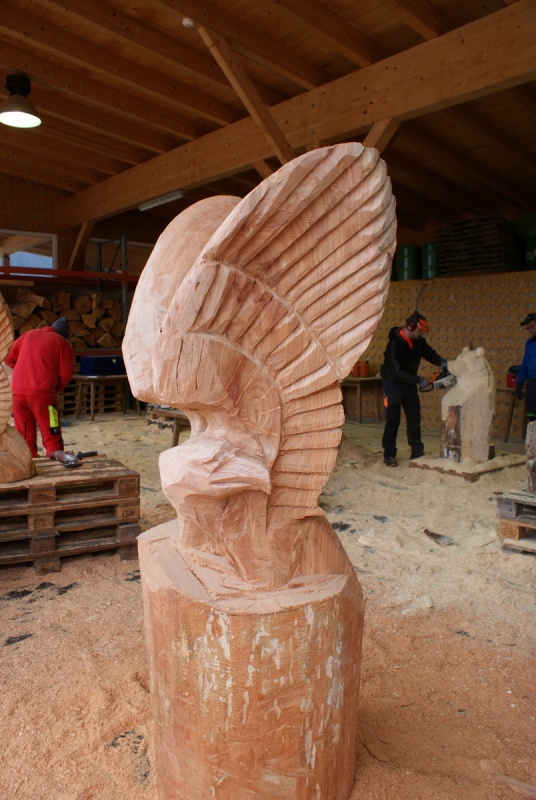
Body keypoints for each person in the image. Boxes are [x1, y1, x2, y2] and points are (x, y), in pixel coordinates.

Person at [380, 312, 447, 467]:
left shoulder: (418, 341)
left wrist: (442, 362)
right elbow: (397, 371)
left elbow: (429, 353)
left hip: (409, 384)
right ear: (411, 326)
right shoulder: (394, 344)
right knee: (393, 420)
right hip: (392, 384)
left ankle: (417, 451)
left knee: (414, 417)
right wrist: (419, 380)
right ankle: (389, 454)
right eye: (420, 330)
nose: (422, 334)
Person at [4, 318, 74, 458]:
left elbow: (8, 358)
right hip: (43, 393)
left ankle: (28, 461)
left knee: (24, 436)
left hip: (17, 392)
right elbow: (66, 373)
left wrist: (24, 371)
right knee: (51, 431)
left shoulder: (28, 334)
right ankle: (54, 456)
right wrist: (55, 388)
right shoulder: (62, 342)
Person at [515, 312, 536, 427]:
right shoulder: (529, 343)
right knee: (532, 415)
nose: (529, 330)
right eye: (527, 328)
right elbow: (525, 364)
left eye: (530, 327)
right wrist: (519, 383)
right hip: (532, 382)